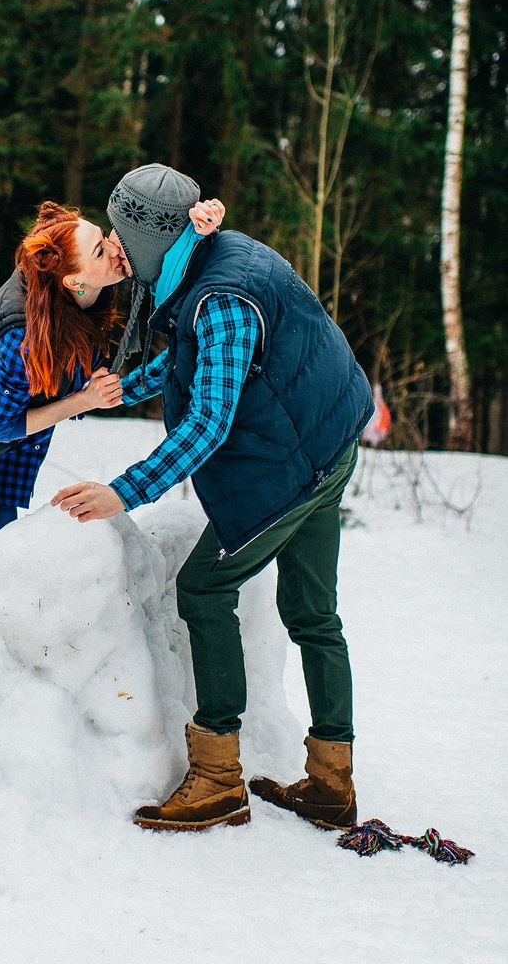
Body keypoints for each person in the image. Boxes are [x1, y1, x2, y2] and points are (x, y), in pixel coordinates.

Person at [50, 164, 374, 833]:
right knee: (314, 613)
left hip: (291, 462)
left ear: (150, 236)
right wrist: (122, 389)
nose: (114, 248)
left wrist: (123, 492)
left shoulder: (221, 298)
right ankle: (332, 783)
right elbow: (193, 361)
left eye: (121, 235)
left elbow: (208, 422)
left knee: (202, 589)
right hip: (329, 438)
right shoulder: (212, 255)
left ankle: (219, 778)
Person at [0, 197, 222, 602]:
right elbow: (1, 426)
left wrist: (197, 234)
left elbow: (164, 271)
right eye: (100, 250)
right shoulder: (23, 334)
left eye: (104, 237)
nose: (114, 250)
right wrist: (83, 400)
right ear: (73, 279)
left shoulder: (86, 294)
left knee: (0, 579)